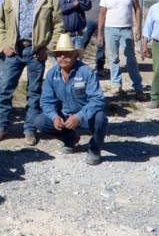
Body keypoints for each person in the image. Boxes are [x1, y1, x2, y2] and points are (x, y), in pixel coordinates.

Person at [0, 0, 64, 145]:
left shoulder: (50, 0)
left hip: (35, 51)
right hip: (14, 50)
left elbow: (58, 27)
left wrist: (48, 48)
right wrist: (3, 45)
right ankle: (1, 127)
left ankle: (29, 130)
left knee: (34, 92)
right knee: (5, 90)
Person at [37, 33, 108, 165]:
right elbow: (46, 101)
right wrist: (54, 117)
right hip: (64, 116)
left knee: (101, 118)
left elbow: (98, 99)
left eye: (67, 54)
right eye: (59, 54)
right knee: (40, 121)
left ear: (75, 55)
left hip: (86, 117)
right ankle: (70, 139)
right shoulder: (52, 74)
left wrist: (79, 116)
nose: (62, 57)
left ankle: (94, 148)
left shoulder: (86, 72)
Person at [98, 0, 146, 99]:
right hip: (110, 29)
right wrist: (100, 34)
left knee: (131, 59)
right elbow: (102, 15)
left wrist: (138, 28)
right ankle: (116, 84)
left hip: (126, 29)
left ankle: (138, 87)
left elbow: (137, 9)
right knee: (113, 58)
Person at [81, 0, 108, 76]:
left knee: (101, 43)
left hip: (104, 21)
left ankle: (100, 66)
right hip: (89, 20)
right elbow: (83, 3)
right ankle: (77, 63)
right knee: (84, 41)